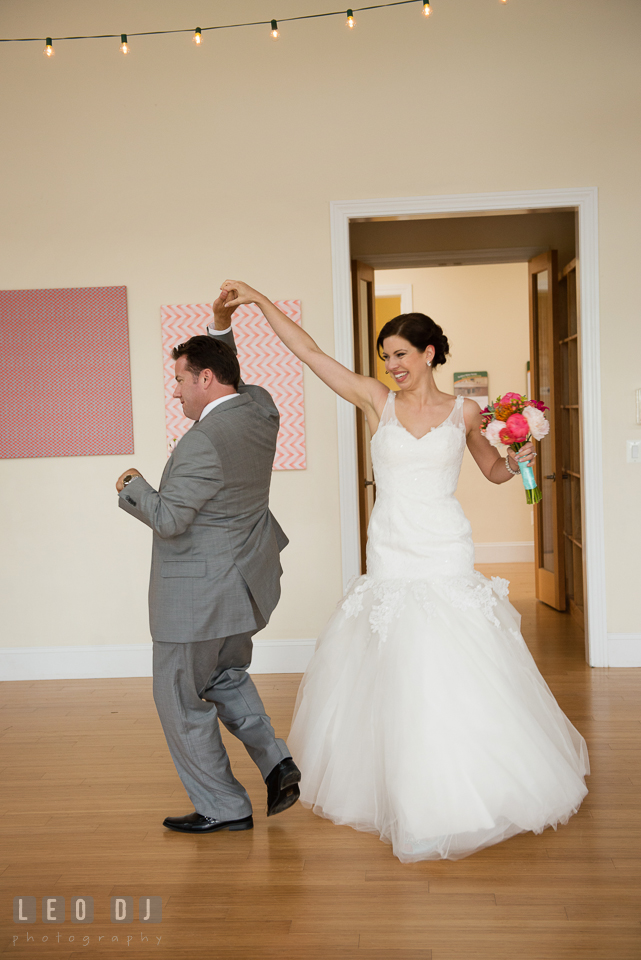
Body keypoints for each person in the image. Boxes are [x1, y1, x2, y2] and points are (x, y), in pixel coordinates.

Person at [217, 279, 589, 863]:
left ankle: (466, 787)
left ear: (430, 355)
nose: (391, 366)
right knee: (399, 667)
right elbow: (311, 354)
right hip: (392, 550)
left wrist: (519, 460)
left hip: (445, 549)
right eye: (386, 356)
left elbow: (492, 471)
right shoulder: (375, 401)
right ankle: (404, 791)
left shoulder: (466, 412)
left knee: (453, 664)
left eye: (401, 355)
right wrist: (262, 304)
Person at [115, 294, 301, 835]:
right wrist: (220, 328)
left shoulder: (203, 442)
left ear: (205, 380)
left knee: (176, 697)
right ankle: (277, 763)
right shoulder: (262, 410)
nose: (174, 391)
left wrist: (132, 486)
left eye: (179, 380)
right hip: (245, 587)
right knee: (224, 676)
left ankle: (224, 806)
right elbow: (236, 376)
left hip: (195, 599)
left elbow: (170, 519)